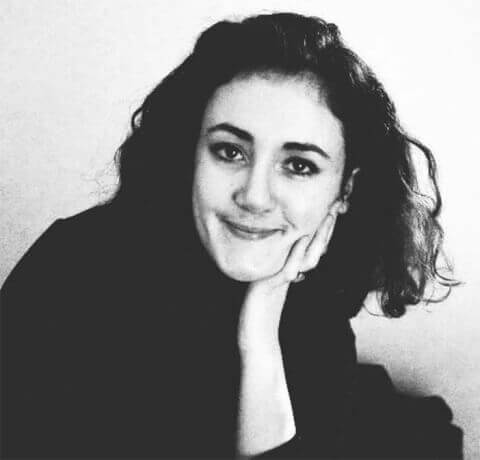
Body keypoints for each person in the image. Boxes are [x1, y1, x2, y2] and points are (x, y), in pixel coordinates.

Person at [1, 12, 459, 458]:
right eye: (229, 151)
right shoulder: (72, 273)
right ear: (190, 155)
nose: (255, 196)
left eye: (299, 165)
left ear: (345, 191)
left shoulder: (307, 298)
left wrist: (260, 334)